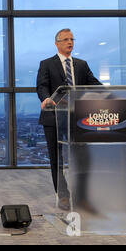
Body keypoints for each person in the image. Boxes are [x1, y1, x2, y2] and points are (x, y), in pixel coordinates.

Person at [36, 28, 102, 211]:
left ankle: (82, 196)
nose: (70, 42)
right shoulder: (46, 64)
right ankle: (63, 196)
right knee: (56, 159)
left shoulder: (81, 64)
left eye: (72, 39)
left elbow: (95, 84)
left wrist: (109, 94)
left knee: (83, 158)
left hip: (77, 117)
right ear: (57, 43)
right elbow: (41, 86)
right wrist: (46, 99)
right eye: (65, 39)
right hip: (53, 117)